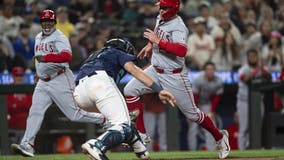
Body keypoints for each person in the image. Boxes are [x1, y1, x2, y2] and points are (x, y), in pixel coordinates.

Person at [123, 0, 230, 159]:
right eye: (161, 6)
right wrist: (150, 45)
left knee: (193, 115)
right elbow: (157, 34)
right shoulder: (161, 19)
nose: (161, 10)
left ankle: (220, 137)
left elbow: (181, 50)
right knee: (129, 90)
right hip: (155, 69)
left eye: (165, 7)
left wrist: (158, 41)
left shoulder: (179, 26)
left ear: (173, 8)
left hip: (174, 75)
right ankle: (141, 133)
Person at [11, 9, 106, 157]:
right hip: (43, 82)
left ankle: (107, 118)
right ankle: (27, 145)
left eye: (50, 21)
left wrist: (47, 58)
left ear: (54, 22)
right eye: (44, 21)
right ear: (41, 22)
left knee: (74, 114)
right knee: (35, 112)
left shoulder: (59, 37)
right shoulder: (37, 37)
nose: (47, 23)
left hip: (60, 78)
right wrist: (39, 73)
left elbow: (67, 56)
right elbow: (39, 59)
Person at [73, 38, 176, 160]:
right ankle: (96, 144)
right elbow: (133, 70)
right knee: (124, 125)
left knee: (122, 122)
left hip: (79, 94)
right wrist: (158, 89)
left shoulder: (93, 56)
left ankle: (141, 150)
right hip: (99, 83)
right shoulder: (116, 52)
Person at [236, 49, 271, 150]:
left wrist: (262, 70)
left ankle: (255, 150)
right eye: (250, 56)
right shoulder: (243, 69)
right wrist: (257, 70)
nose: (252, 58)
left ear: (257, 57)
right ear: (247, 58)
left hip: (258, 101)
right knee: (244, 128)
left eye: (254, 56)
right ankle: (241, 152)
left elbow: (269, 78)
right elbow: (245, 78)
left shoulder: (263, 69)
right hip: (244, 102)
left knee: (257, 126)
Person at [188, 61, 224, 151]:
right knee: (193, 128)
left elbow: (216, 97)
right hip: (193, 104)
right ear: (204, 70)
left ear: (214, 70)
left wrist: (211, 111)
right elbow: (194, 96)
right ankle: (192, 151)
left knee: (211, 126)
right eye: (208, 69)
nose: (210, 71)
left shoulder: (218, 80)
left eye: (212, 69)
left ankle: (211, 150)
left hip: (206, 104)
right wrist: (193, 111)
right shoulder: (198, 79)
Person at [7, 66, 32, 146]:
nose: (19, 78)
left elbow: (30, 106)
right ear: (13, 76)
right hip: (12, 127)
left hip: (26, 127)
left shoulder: (27, 89)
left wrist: (17, 105)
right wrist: (22, 105)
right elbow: (8, 107)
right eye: (17, 75)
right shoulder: (8, 89)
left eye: (20, 75)